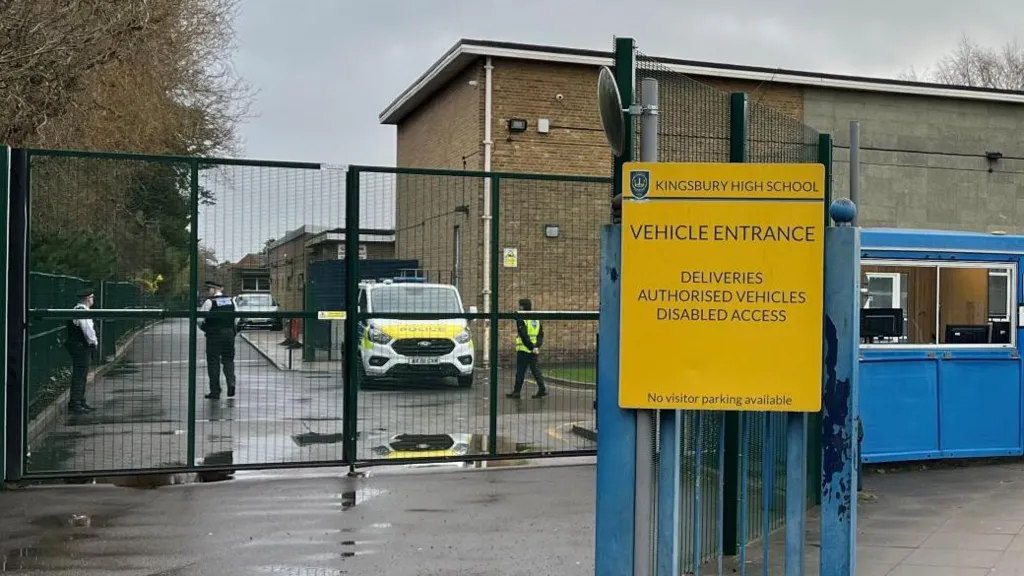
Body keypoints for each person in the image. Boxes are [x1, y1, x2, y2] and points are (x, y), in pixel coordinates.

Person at [199, 280, 237, 399]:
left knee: (213, 362)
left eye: (208, 289)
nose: (207, 292)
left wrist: (206, 329)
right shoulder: (231, 301)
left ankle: (215, 392)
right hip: (229, 334)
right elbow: (238, 318)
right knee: (228, 360)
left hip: (214, 335)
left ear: (214, 289)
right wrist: (232, 330)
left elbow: (200, 319)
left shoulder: (209, 302)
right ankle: (231, 383)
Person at [65, 287, 98, 414]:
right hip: (81, 346)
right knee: (80, 374)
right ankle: (76, 403)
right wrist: (93, 342)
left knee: (82, 374)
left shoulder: (79, 309)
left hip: (77, 345)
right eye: (92, 297)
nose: (93, 300)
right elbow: (88, 330)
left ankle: (80, 401)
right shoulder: (81, 311)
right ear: (87, 299)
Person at [507, 298, 547, 399]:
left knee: (520, 371)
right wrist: (537, 346)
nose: (518, 307)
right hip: (533, 350)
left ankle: (516, 392)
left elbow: (523, 335)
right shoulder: (536, 319)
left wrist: (531, 347)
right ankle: (542, 390)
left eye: (519, 305)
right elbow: (540, 334)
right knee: (535, 370)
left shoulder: (522, 318)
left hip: (524, 349)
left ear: (522, 307)